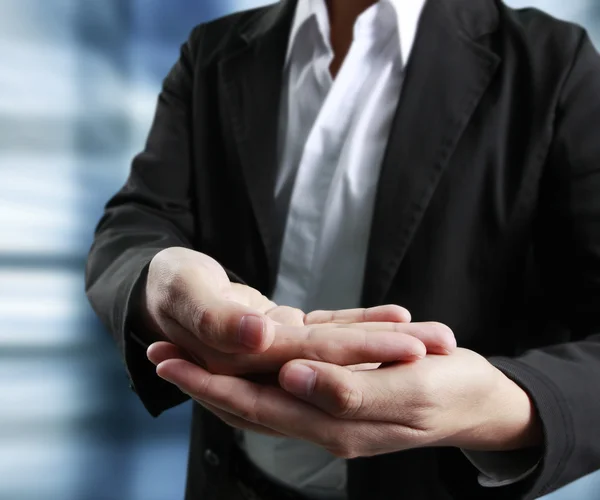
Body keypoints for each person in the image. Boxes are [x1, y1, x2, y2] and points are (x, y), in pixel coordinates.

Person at [85, 0, 600, 498]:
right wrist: (160, 280)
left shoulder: (554, 62)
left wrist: (501, 407)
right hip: (227, 480)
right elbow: (139, 217)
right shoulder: (213, 51)